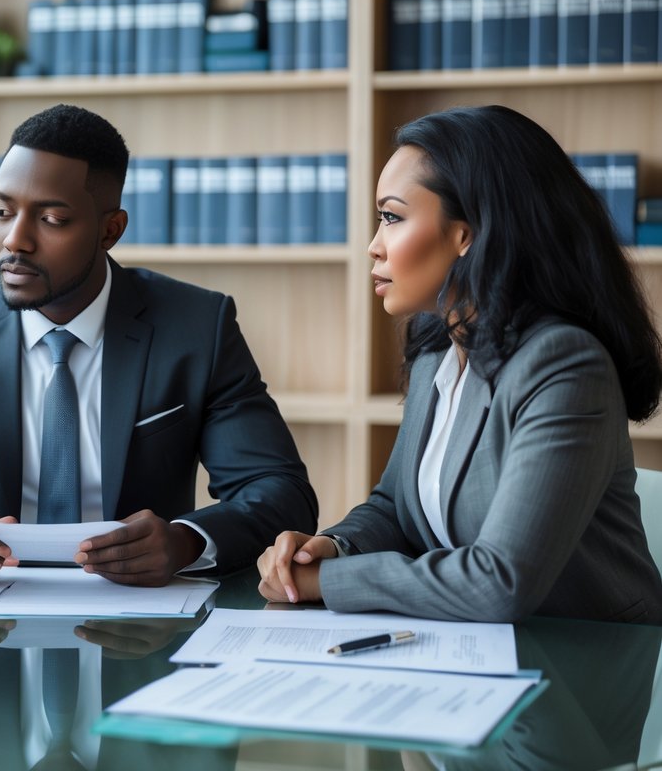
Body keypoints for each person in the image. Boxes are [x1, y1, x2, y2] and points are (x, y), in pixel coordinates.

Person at [0, 103, 316, 587]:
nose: (14, 241)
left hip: (138, 620)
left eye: (52, 219)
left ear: (110, 230)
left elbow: (281, 492)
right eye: (1, 212)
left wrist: (186, 541)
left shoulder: (195, 327)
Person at [257, 104, 662, 623]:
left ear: (467, 234)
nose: (373, 246)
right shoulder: (438, 353)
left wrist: (329, 582)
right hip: (474, 650)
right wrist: (326, 550)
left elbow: (501, 582)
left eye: (392, 217)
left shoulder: (565, 365)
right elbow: (395, 507)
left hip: (588, 656)